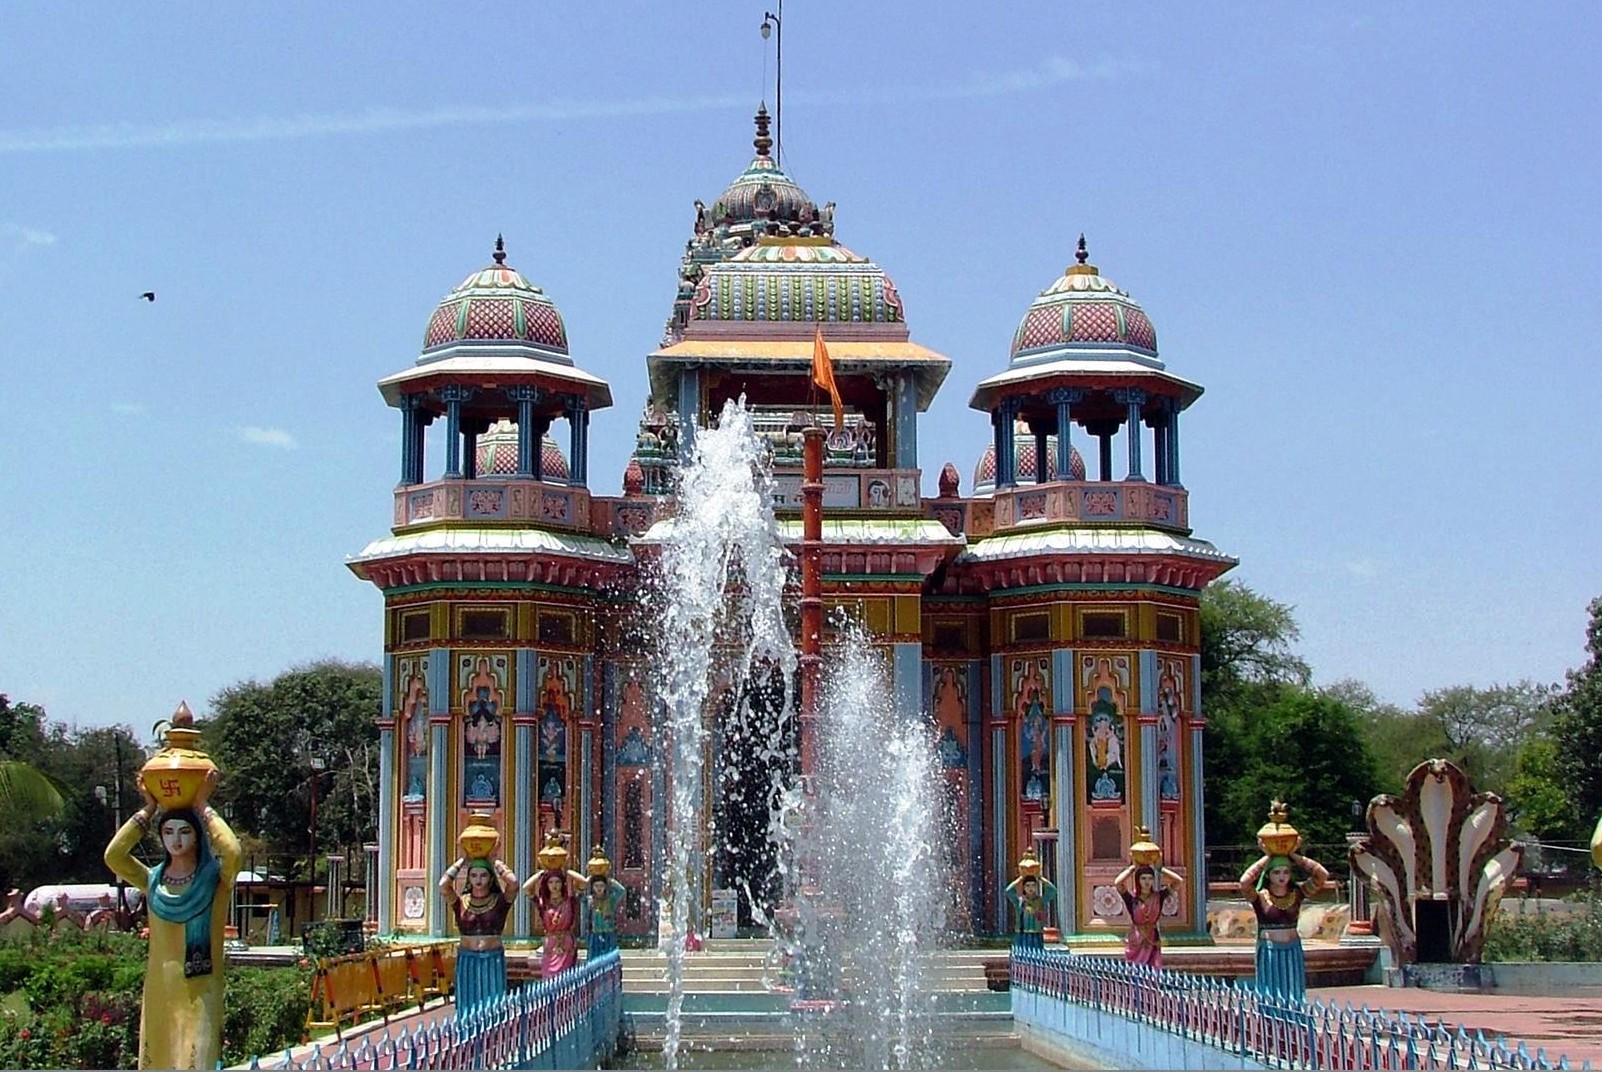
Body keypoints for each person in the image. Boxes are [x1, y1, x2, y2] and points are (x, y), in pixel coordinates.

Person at [104, 769, 240, 1070]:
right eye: (168, 832)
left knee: (198, 1060)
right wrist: (149, 809)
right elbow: (114, 856)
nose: (176, 840)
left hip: (200, 988)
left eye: (184, 831)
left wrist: (203, 805)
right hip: (160, 989)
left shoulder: (215, 880)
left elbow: (232, 851)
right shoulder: (152, 880)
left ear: (197, 836)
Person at [1239, 841, 1329, 999]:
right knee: (1270, 993)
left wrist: (1294, 855)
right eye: (1276, 872)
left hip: (1292, 951)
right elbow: (1244, 881)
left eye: (1286, 872)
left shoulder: (1298, 893)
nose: (1282, 877)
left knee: (1294, 992)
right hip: (1269, 951)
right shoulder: (1260, 896)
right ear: (1268, 874)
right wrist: (1267, 856)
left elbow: (1322, 875)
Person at [439, 852, 518, 1012]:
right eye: (474, 875)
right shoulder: (461, 902)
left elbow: (514, 883)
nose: (478, 880)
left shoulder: (499, 901)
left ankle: (493, 1034)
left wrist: (494, 861)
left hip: (491, 958)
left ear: (490, 878)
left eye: (483, 875)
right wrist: (462, 860)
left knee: (493, 1002)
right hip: (467, 958)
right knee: (467, 1002)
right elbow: (443, 885)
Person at [1114, 860, 1184, 968]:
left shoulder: (1159, 896)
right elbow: (1118, 883)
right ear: (1138, 880)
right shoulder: (1132, 898)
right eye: (1143, 878)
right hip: (1136, 939)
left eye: (1150, 878)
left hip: (1152, 938)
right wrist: (1132, 868)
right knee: (1135, 970)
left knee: (1153, 970)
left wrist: (1160, 869)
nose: (1147, 882)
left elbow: (1178, 881)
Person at [522, 865, 588, 978]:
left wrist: (567, 871)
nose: (554, 886)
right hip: (550, 945)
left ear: (562, 884)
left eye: (557, 882)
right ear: (546, 885)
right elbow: (526, 888)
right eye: (551, 882)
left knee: (566, 978)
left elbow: (583, 883)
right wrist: (541, 874)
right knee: (549, 978)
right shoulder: (543, 903)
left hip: (566, 944)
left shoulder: (570, 901)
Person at [1004, 870, 1057, 950]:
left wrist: (1041, 878)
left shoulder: (1040, 901)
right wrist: (1020, 879)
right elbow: (1008, 891)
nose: (1030, 888)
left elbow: (1053, 890)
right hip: (1022, 934)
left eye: (1033, 885)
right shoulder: (1020, 901)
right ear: (1024, 887)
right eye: (1027, 886)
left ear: (1036, 887)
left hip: (1036, 934)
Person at [583, 872, 628, 959]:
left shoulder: (611, 899)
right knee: (594, 958)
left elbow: (622, 890)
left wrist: (610, 880)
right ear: (592, 887)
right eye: (596, 886)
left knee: (609, 958)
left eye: (601, 885)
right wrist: (587, 881)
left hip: (609, 934)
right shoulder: (589, 900)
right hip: (594, 934)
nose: (599, 888)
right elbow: (578, 893)